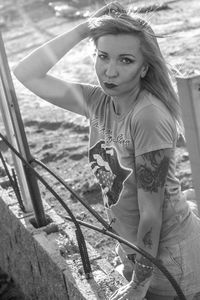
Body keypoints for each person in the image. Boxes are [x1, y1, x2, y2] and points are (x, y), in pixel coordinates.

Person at [13, 2, 200, 299]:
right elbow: (26, 73)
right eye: (102, 56)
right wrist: (83, 29)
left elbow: (151, 214)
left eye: (126, 60)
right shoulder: (97, 101)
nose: (110, 71)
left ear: (144, 68)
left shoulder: (148, 115)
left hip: (168, 257)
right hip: (133, 249)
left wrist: (138, 285)